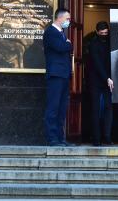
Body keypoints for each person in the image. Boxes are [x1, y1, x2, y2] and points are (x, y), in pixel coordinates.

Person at [43, 9, 73, 147]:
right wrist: (68, 44)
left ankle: (60, 138)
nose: (68, 21)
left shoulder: (61, 33)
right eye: (67, 19)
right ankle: (52, 139)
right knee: (53, 108)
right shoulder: (51, 32)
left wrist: (66, 43)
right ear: (59, 18)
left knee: (61, 108)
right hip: (55, 75)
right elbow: (61, 47)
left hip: (63, 75)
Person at [88, 21, 114, 146]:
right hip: (96, 81)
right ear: (97, 32)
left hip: (109, 81)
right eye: (102, 33)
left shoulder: (110, 43)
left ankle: (107, 137)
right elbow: (97, 63)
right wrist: (107, 78)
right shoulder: (93, 44)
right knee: (95, 109)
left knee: (109, 108)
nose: (104, 35)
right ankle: (96, 139)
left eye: (106, 33)